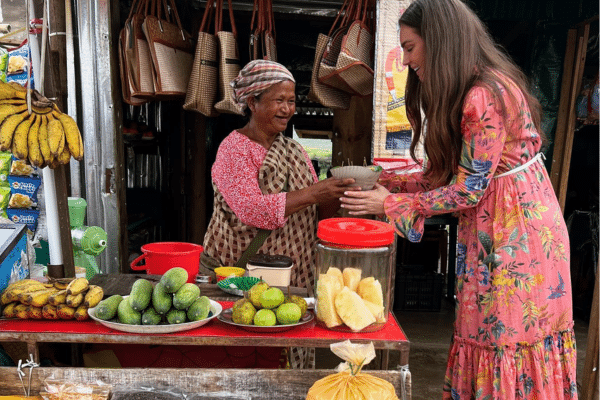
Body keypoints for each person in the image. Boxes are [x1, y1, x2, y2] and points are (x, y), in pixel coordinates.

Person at [340, 0, 578, 399]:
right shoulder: (477, 87)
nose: (406, 59)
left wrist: (390, 205)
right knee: (484, 333)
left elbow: (469, 188)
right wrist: (388, 183)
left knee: (499, 337)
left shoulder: (482, 95)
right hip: (502, 225)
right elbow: (448, 178)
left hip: (513, 236)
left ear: (440, 39)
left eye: (411, 47)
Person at [201, 59, 355, 368]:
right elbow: (251, 210)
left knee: (287, 365)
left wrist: (341, 192)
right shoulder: (234, 150)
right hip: (240, 278)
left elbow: (313, 210)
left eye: (291, 100)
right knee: (243, 361)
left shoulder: (294, 150)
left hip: (290, 281)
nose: (287, 108)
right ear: (252, 102)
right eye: (278, 100)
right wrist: (316, 191)